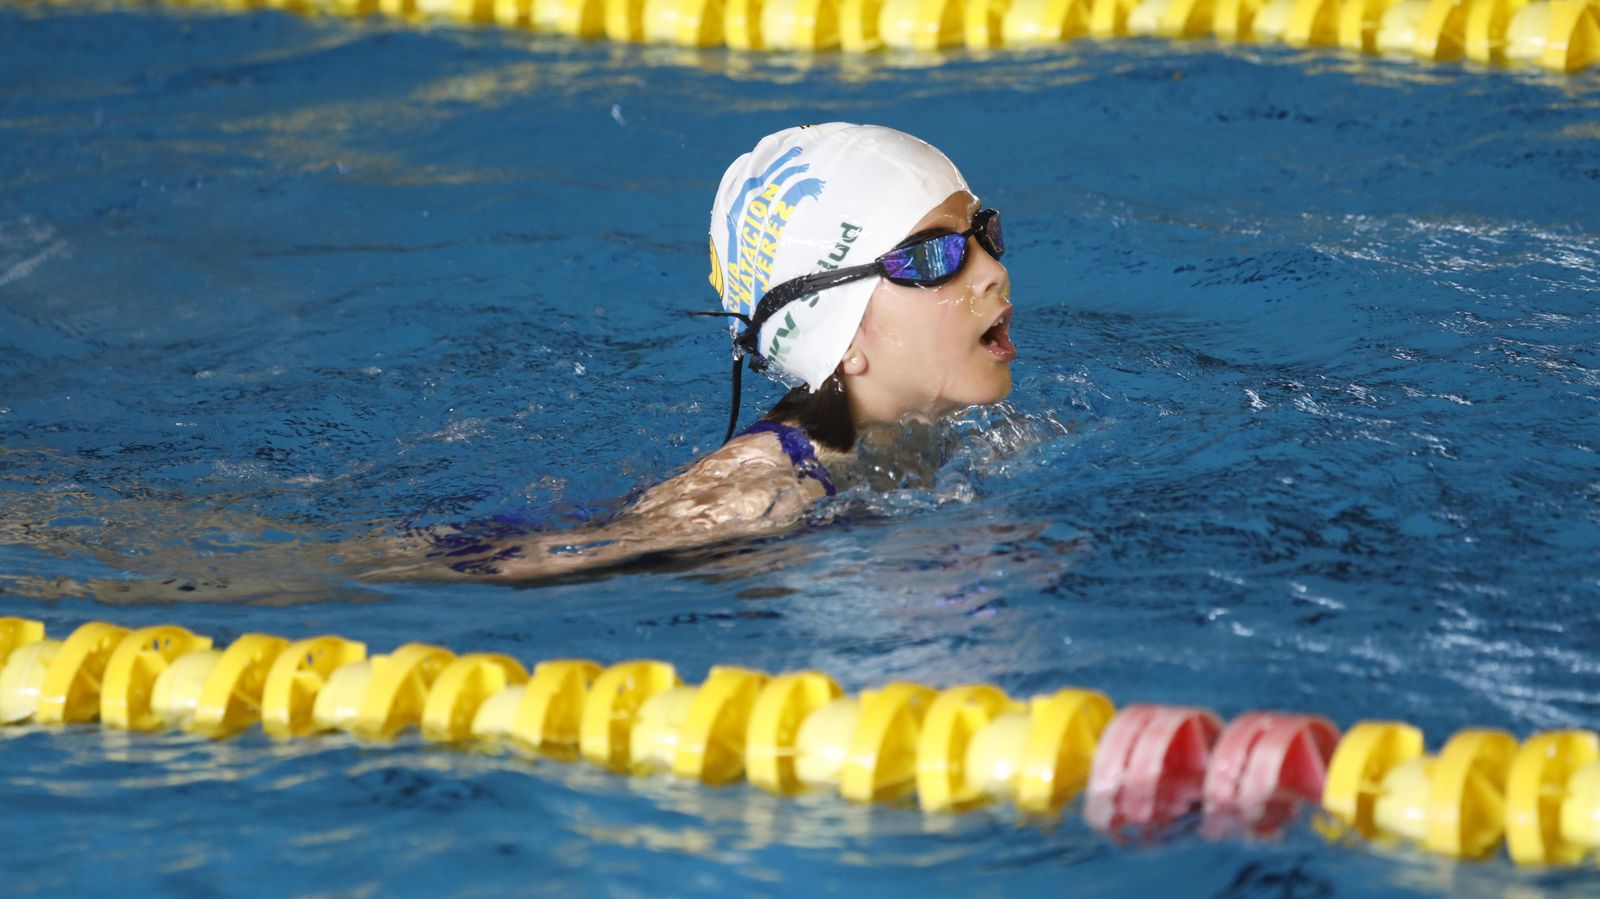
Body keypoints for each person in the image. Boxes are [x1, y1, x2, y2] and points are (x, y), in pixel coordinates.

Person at [370, 123, 1015, 583]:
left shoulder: (926, 426)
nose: (990, 271)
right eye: (936, 256)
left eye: (982, 233)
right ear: (838, 337)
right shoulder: (754, 501)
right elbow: (547, 558)